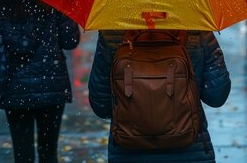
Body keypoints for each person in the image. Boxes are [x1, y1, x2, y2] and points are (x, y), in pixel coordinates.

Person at [88, 29, 231, 162]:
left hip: (128, 151)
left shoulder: (112, 31)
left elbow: (101, 106)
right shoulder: (197, 29)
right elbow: (216, 96)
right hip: (190, 150)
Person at [0, 0, 80, 163]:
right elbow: (70, 40)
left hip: (13, 86)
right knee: (49, 153)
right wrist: (67, 7)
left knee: (22, 153)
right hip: (50, 83)